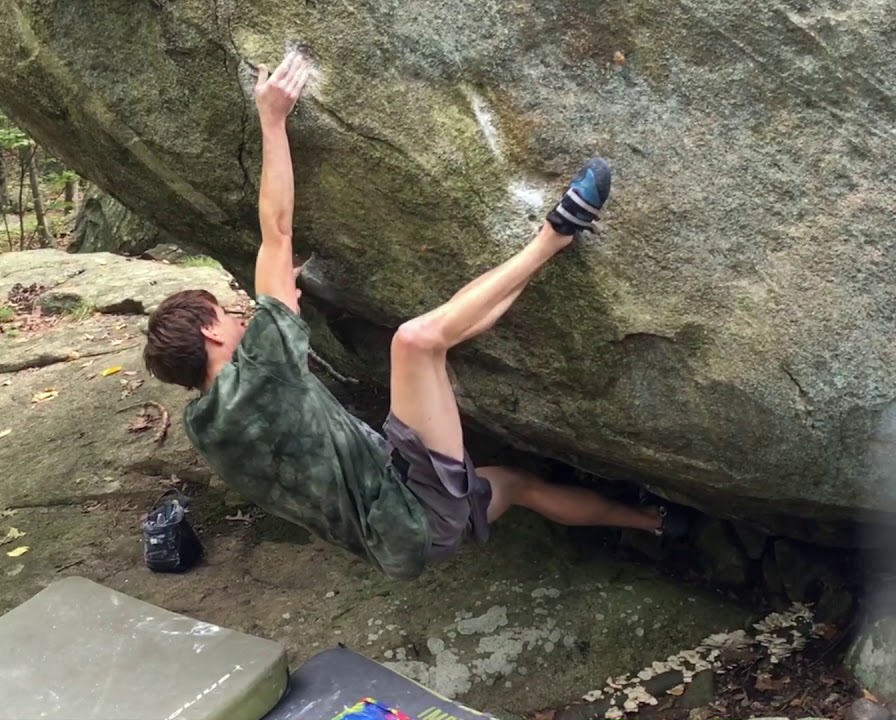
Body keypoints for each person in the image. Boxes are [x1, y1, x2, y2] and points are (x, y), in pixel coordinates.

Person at [142, 50, 686, 581]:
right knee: (416, 341)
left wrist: (281, 314)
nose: (240, 318)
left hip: (401, 539)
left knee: (516, 483)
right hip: (410, 506)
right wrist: (273, 120)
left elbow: (287, 429)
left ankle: (657, 522)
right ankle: (556, 235)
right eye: (225, 314)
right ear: (210, 331)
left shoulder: (203, 428)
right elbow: (276, 231)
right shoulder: (258, 370)